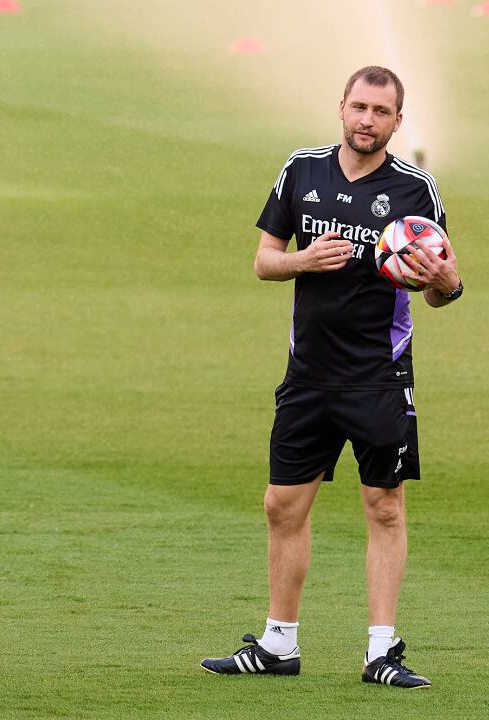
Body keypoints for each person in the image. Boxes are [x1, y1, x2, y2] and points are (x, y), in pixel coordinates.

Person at [201, 66, 461, 688]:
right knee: (281, 505)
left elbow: (446, 288)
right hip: (308, 374)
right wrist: (302, 259)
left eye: (381, 112)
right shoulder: (301, 170)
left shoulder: (416, 190)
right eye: (359, 107)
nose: (367, 120)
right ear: (340, 107)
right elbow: (264, 261)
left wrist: (441, 281)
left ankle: (381, 651)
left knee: (384, 506)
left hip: (378, 375)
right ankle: (278, 644)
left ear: (399, 121)